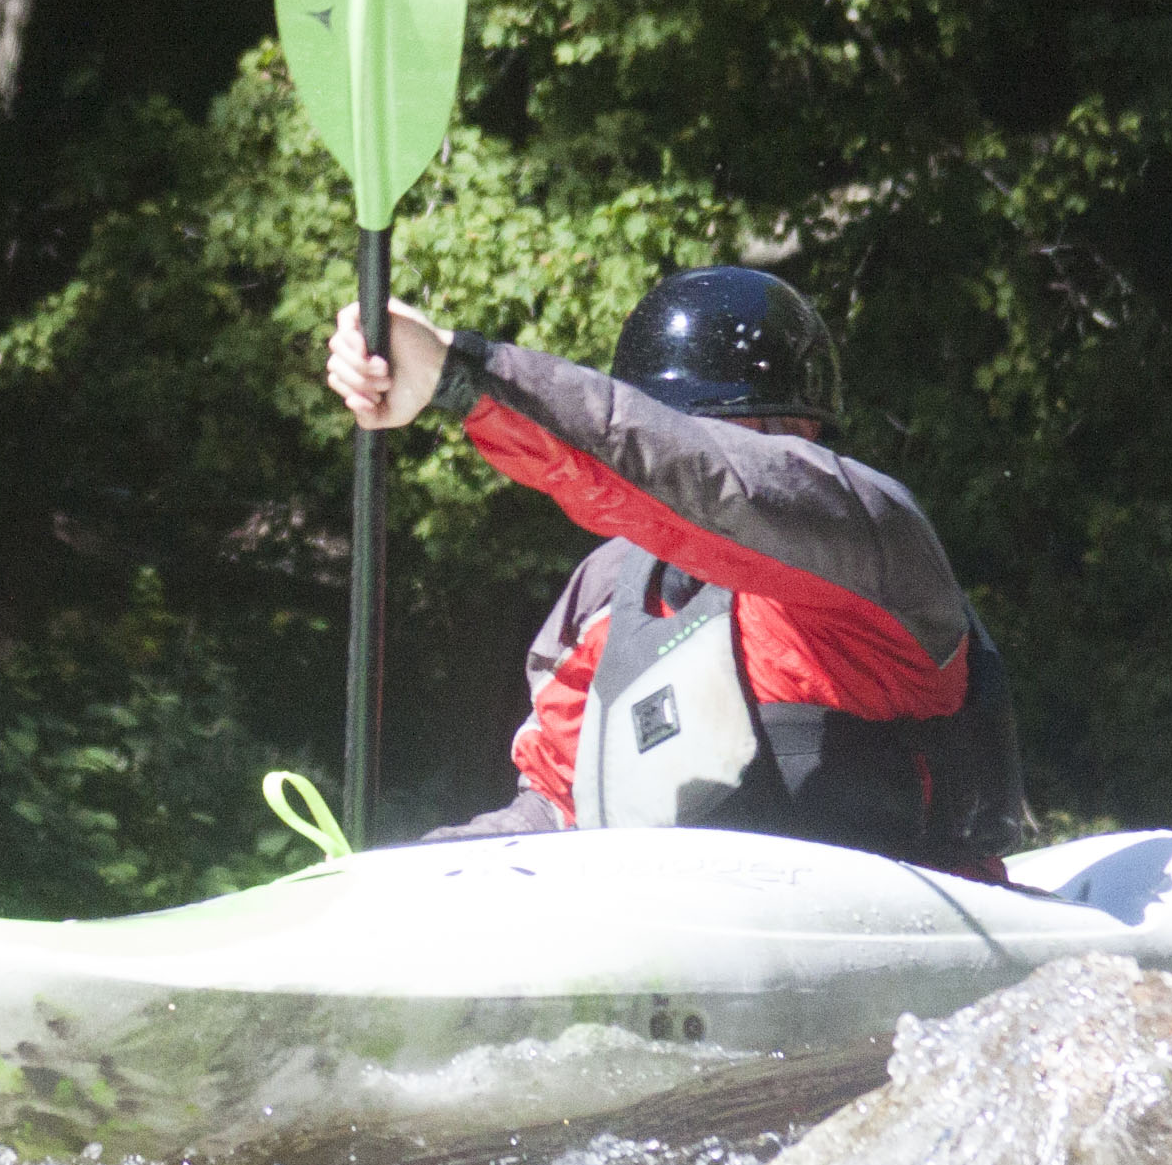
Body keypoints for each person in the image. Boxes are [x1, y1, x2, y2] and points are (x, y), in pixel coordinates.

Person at [320, 264, 1030, 876]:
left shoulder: (868, 531)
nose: (739, 452)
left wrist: (460, 375)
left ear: (806, 432)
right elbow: (557, 807)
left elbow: (707, 481)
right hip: (685, 958)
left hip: (895, 945)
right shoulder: (605, 593)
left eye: (741, 434)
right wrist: (403, 875)